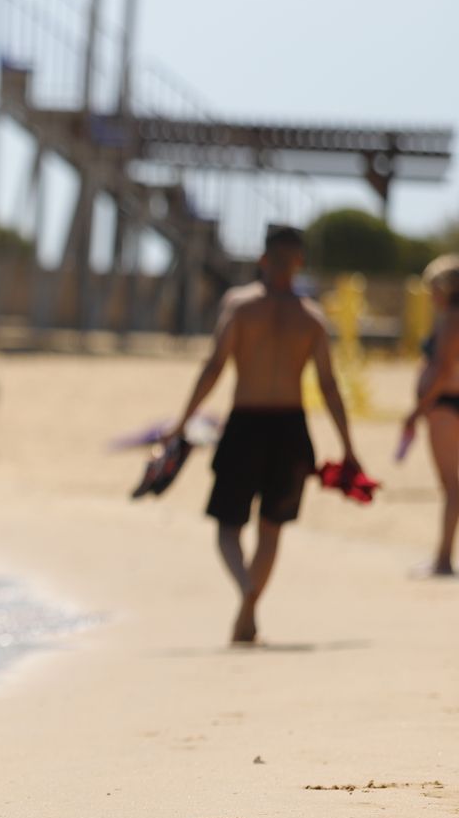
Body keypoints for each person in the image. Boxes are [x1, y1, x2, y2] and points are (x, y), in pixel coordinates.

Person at [164, 224, 359, 645]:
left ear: (262, 259)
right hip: (291, 429)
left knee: (228, 526)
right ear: (300, 262)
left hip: (246, 424)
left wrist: (182, 423)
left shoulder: (239, 306)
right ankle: (251, 607)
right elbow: (328, 387)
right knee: (271, 528)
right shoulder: (312, 318)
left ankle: (247, 593)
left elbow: (214, 367)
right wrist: (348, 448)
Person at [401, 254, 459, 576]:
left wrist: (417, 410)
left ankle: (443, 559)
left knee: (451, 486)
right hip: (449, 402)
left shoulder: (451, 318)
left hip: (446, 406)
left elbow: (443, 367)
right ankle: (443, 557)